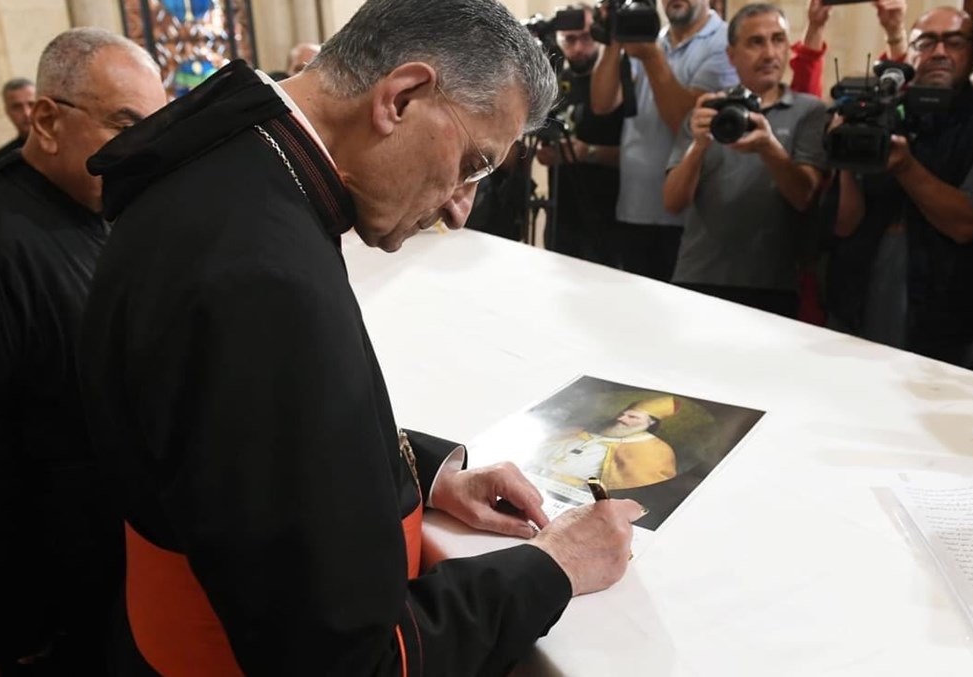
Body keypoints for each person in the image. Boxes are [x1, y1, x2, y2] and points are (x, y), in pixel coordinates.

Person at [79, 0, 643, 674]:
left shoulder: (228, 167)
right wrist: (551, 567)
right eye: (472, 163)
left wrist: (427, 475)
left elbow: (248, 447)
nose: (460, 210)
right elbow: (347, 657)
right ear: (400, 98)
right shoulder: (260, 279)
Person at [0, 28, 166, 675]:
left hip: (110, 552)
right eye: (125, 126)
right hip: (54, 587)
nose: (142, 151)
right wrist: (10, 621)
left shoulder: (92, 204)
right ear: (46, 120)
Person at [825, 7, 973, 366]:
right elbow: (843, 225)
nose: (940, 52)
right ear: (911, 52)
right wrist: (844, 157)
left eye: (954, 42)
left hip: (947, 309)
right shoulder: (876, 111)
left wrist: (905, 166)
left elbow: (967, 224)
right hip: (857, 295)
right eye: (927, 42)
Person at [663, 3, 827, 317]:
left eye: (778, 40)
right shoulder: (706, 111)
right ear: (731, 55)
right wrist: (699, 144)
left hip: (774, 283)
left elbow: (804, 197)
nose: (770, 53)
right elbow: (673, 202)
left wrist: (768, 146)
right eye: (756, 42)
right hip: (699, 275)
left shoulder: (809, 111)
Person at [590, 0, 737, 282]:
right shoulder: (649, 35)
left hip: (688, 218)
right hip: (634, 208)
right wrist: (615, 37)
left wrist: (651, 57)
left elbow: (685, 124)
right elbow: (602, 103)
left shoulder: (724, 42)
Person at [535, 3, 625, 264]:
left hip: (608, 218)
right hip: (562, 216)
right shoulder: (553, 83)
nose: (578, 48)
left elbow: (639, 155)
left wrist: (588, 153)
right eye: (570, 39)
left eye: (586, 37)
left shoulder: (617, 82)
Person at [533, 397, 679, 491]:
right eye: (622, 414)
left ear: (651, 422)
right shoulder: (579, 431)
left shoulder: (655, 451)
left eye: (632, 417)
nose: (621, 419)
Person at [0, 77, 35, 167]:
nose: (26, 113)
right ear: (7, 112)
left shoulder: (62, 148)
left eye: (31, 104)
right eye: (17, 107)